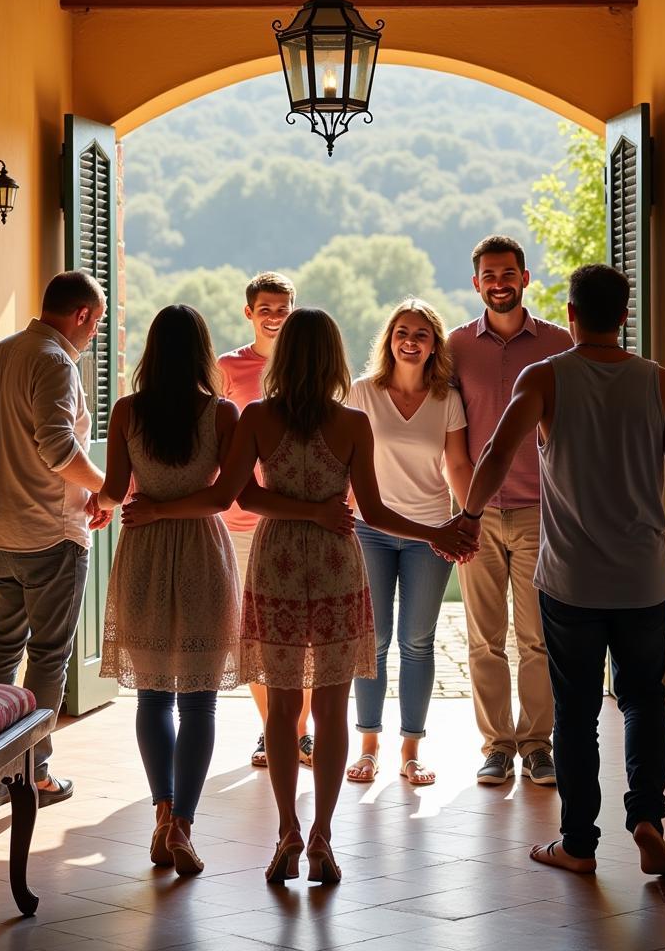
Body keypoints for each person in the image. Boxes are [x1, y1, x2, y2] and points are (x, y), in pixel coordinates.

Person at [119, 309, 475, 885]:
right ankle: (322, 837)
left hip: (277, 565)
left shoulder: (258, 417)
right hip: (337, 565)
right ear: (335, 359)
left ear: (283, 358)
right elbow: (376, 513)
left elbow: (243, 498)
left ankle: (286, 828)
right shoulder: (353, 422)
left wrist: (297, 510)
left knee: (283, 712)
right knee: (331, 711)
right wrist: (435, 531)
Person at [456, 263, 665, 876]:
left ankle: (577, 844)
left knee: (574, 710)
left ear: (570, 315)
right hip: (643, 578)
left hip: (571, 579)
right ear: (624, 316)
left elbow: (495, 452)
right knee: (642, 699)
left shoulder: (544, 378)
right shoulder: (662, 384)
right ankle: (648, 816)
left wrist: (469, 515)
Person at [94, 306, 242, 873]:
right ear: (203, 351)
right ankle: (183, 824)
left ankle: (161, 813)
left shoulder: (128, 411)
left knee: (152, 695)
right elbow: (223, 497)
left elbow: (112, 491)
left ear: (152, 350)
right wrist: (167, 509)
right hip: (203, 552)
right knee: (199, 699)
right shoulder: (222, 414)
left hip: (146, 556)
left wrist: (119, 507)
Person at [0, 269, 111, 811]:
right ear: (83, 315)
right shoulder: (57, 362)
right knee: (49, 656)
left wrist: (9, 443)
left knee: (3, 645)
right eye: (98, 324)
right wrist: (109, 489)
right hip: (48, 529)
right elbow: (57, 449)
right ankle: (33, 774)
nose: (95, 335)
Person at [449, 235, 572, 786]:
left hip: (541, 512)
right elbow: (447, 434)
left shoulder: (558, 342)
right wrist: (461, 510)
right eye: (488, 276)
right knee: (483, 640)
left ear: (525, 278)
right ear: (476, 284)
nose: (499, 283)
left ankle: (538, 745)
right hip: (476, 515)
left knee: (538, 638)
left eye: (508, 273)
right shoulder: (454, 348)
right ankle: (497, 746)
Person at [345, 299, 474, 787]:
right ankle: (369, 745)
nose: (411, 341)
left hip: (431, 535)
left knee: (416, 642)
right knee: (372, 642)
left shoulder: (447, 399)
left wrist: (469, 520)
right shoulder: (362, 392)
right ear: (389, 339)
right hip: (369, 532)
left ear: (434, 344)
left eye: (422, 334)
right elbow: (342, 459)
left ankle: (412, 750)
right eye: (402, 332)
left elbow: (458, 466)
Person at [217, 272, 314, 771]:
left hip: (300, 517)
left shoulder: (309, 368)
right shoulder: (228, 368)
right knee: (255, 634)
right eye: (266, 308)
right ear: (249, 312)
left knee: (302, 632)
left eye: (282, 308)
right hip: (241, 518)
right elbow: (212, 437)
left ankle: (299, 732)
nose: (274, 316)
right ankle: (272, 728)